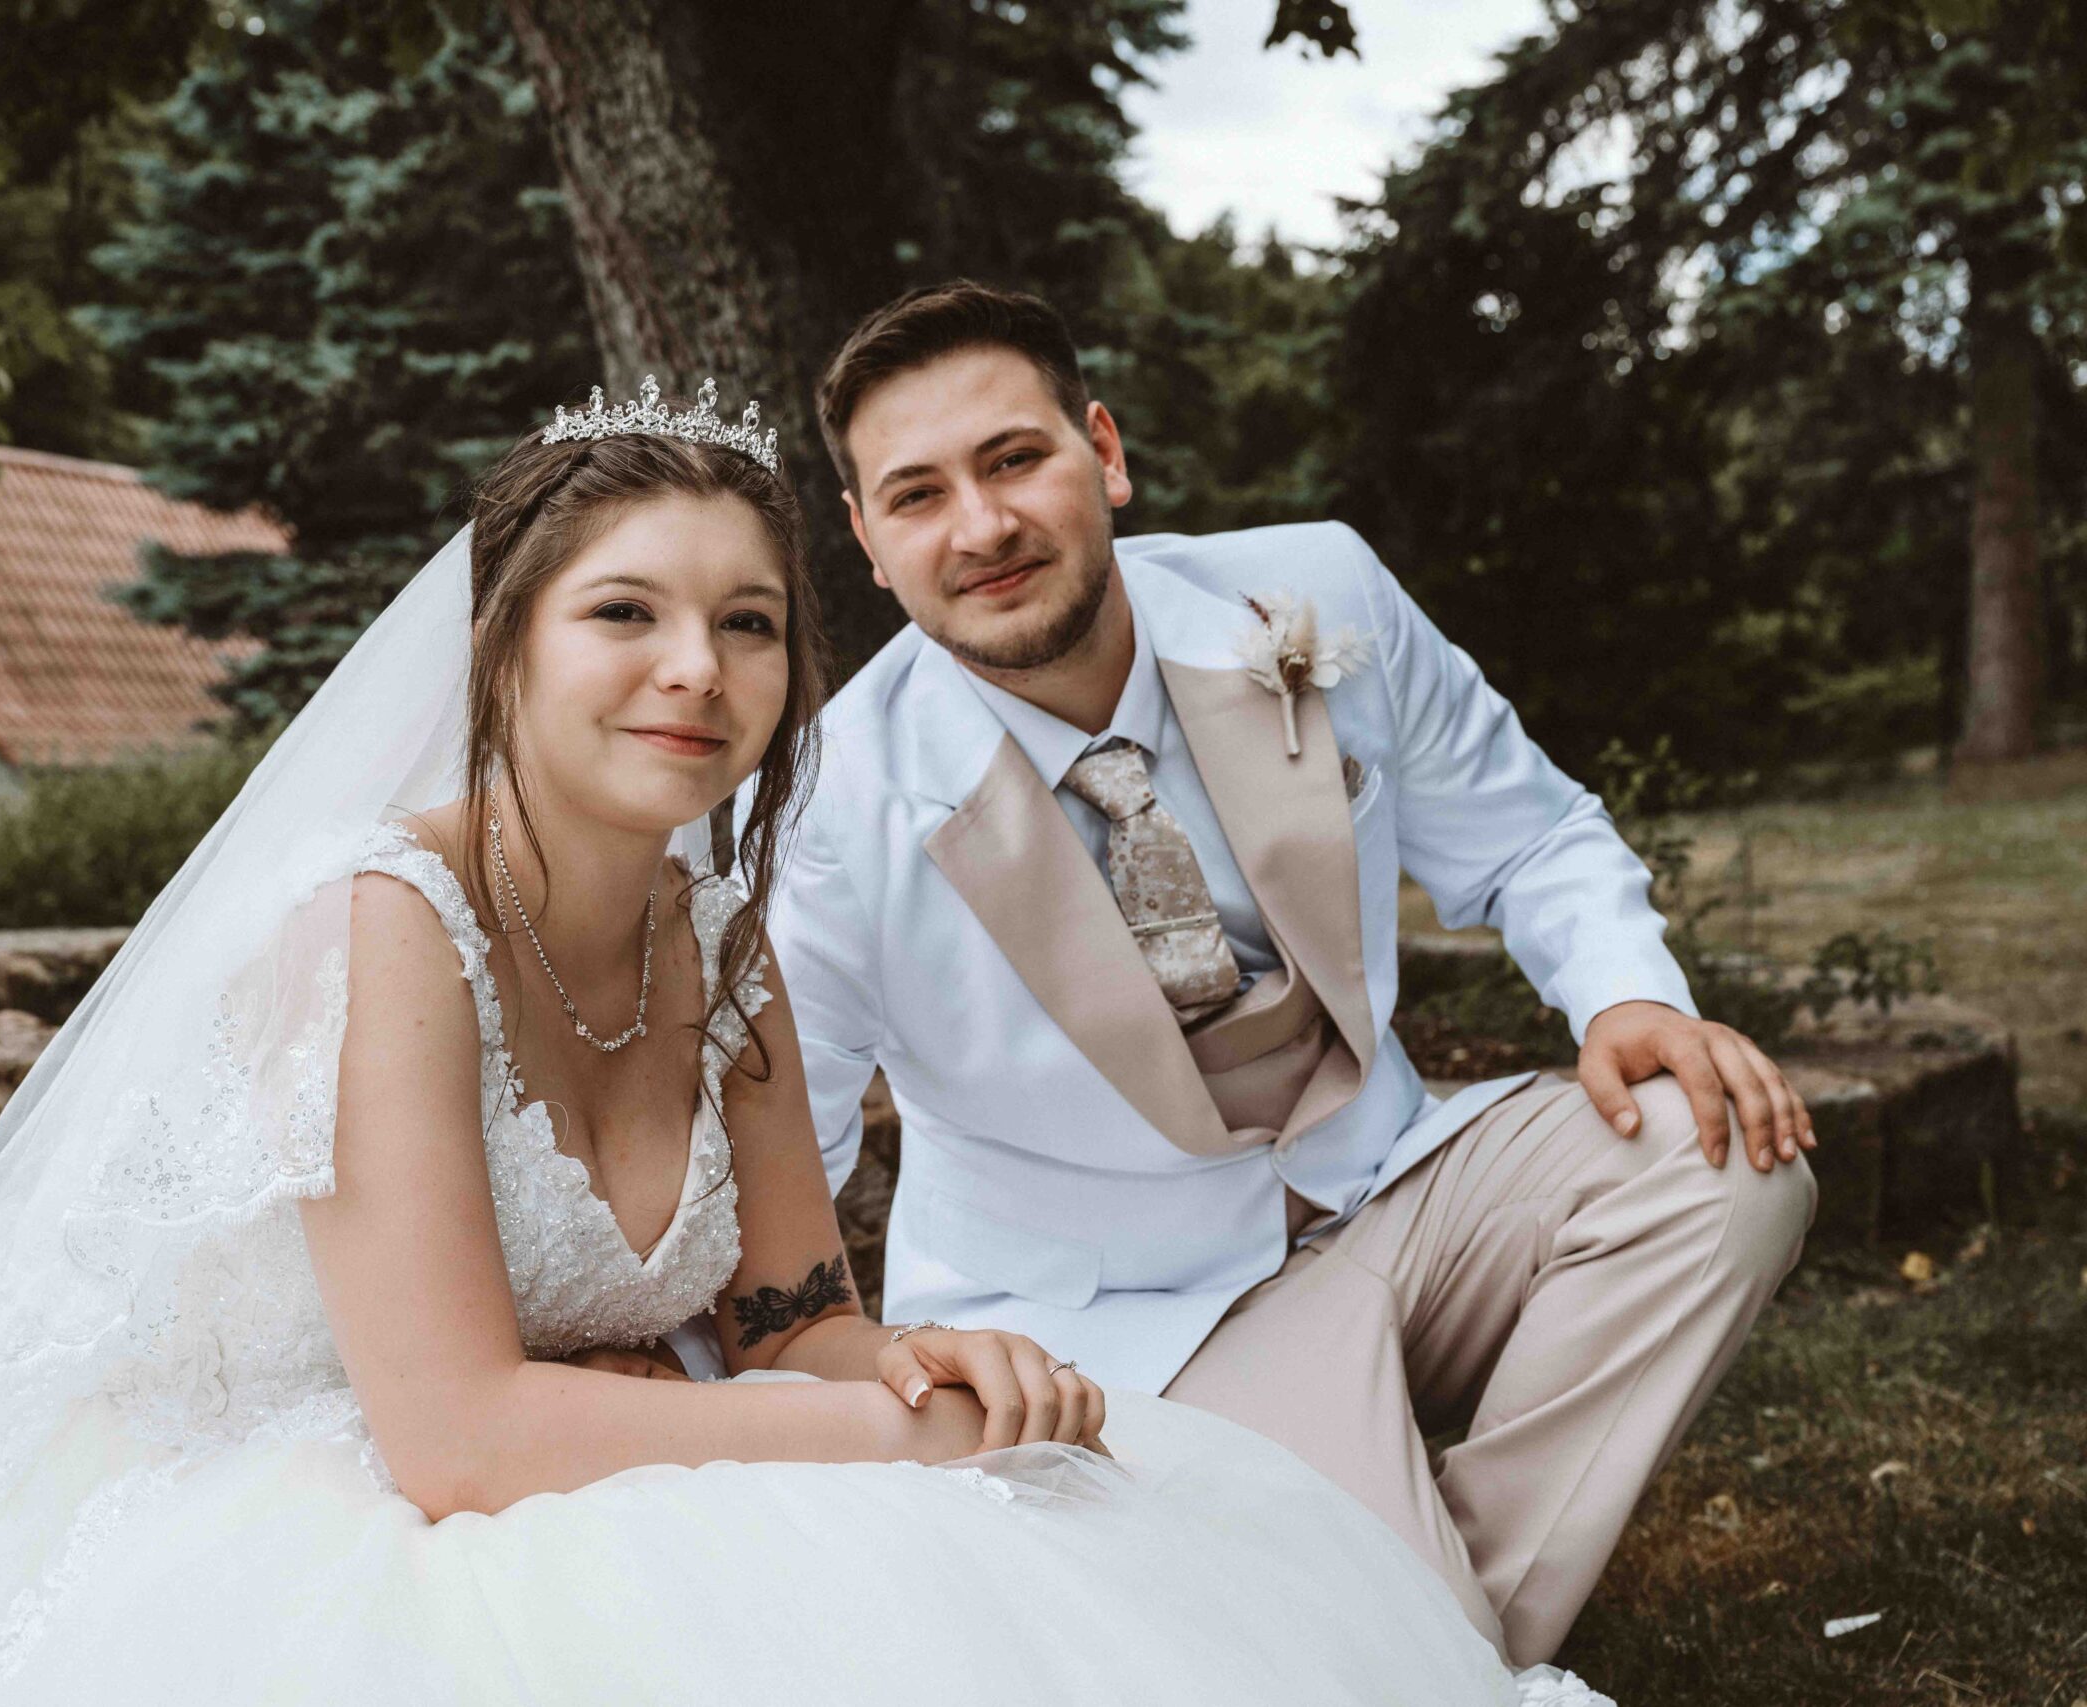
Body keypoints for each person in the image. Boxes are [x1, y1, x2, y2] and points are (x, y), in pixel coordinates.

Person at [0, 380, 1609, 1704]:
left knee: (1050, 1532)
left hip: (588, 1440)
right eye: (625, 613)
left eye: (748, 622)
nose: (695, 670)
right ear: (505, 647)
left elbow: (790, 1319)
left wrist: (917, 1369)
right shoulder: (383, 928)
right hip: (296, 1499)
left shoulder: (730, 942)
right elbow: (450, 1436)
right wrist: (871, 1437)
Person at [767, 279, 1821, 1670]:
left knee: (1721, 1155)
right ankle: (1431, 1639)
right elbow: (782, 1149)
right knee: (1381, 1639)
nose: (983, 527)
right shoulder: (830, 808)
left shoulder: (1313, 592)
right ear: (867, 542)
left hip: (1395, 1183)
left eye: (1015, 459)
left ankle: (1428, 1621)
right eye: (919, 496)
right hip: (1135, 1316)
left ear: (1105, 451)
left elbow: (1529, 833)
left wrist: (1629, 997)